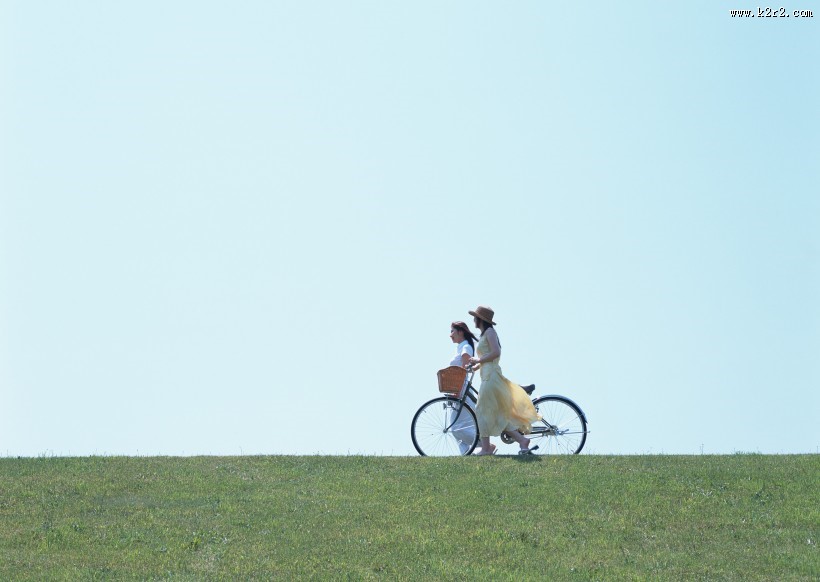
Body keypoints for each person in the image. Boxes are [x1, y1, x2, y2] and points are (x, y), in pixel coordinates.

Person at [467, 305, 540, 456]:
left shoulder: (490, 332)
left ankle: (487, 448)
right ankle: (521, 441)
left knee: (481, 410)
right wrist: (476, 365)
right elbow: (488, 357)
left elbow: (496, 352)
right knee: (497, 413)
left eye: (475, 317)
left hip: (491, 377)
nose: (473, 320)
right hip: (487, 376)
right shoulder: (485, 333)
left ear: (480, 319)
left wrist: (478, 359)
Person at [446, 321, 480, 454]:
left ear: (461, 332)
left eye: (452, 331)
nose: (450, 335)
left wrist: (458, 389)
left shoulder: (465, 346)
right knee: (457, 426)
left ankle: (484, 443)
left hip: (461, 390)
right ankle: (467, 454)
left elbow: (465, 369)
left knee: (456, 427)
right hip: (459, 389)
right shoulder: (461, 346)